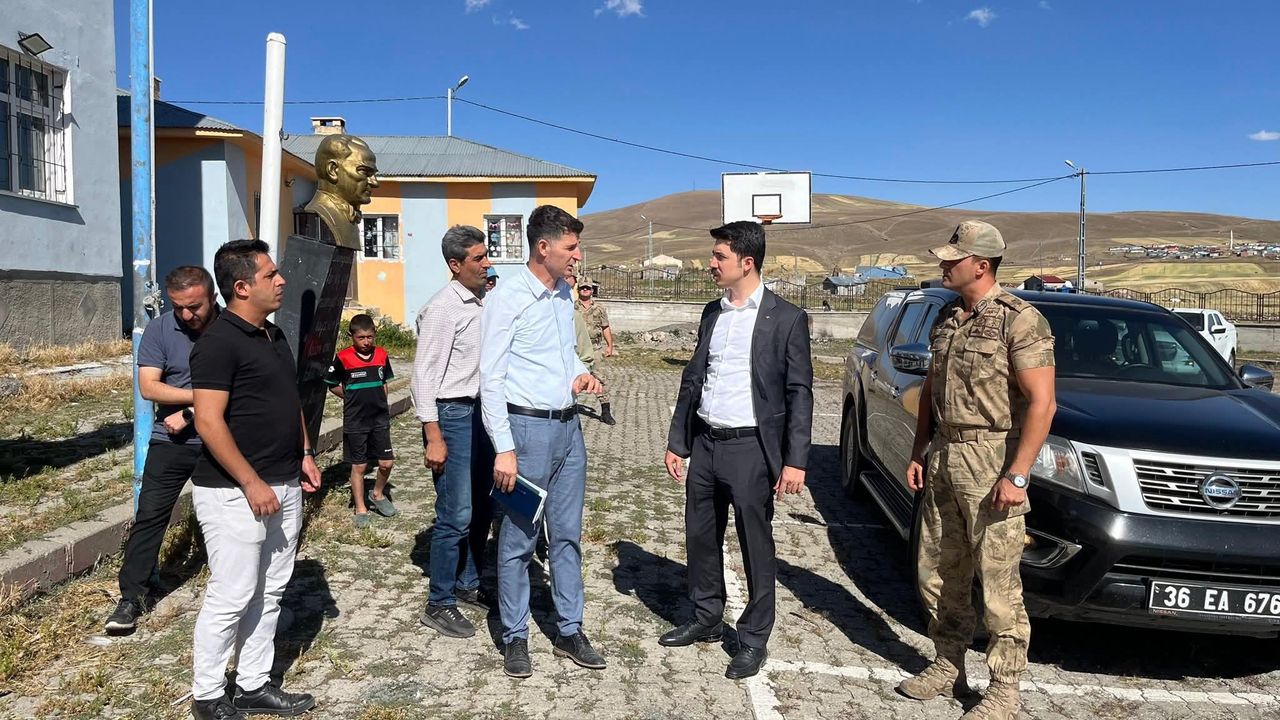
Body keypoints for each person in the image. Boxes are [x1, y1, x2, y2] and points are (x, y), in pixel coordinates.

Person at [897, 221, 1056, 720]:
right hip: (945, 455)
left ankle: (1004, 689)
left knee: (998, 580)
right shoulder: (947, 317)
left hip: (991, 461)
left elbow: (1043, 403)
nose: (944, 265)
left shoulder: (1020, 321)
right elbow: (931, 389)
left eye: (954, 258)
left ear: (981, 265)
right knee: (939, 571)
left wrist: (1018, 474)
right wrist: (920, 449)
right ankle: (948, 664)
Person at [661, 221, 813, 680]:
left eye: (719, 256)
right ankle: (706, 616)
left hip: (751, 449)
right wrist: (678, 441)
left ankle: (753, 638)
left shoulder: (786, 318)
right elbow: (694, 379)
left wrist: (795, 461)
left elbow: (799, 393)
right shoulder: (713, 312)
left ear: (747, 263)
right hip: (706, 443)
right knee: (700, 535)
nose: (711, 263)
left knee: (755, 544)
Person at [187, 239, 322, 720]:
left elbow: (289, 399)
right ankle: (207, 696)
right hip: (233, 492)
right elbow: (208, 421)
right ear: (242, 287)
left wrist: (305, 453)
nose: (282, 281)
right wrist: (250, 481)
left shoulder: (273, 334)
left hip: (284, 481)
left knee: (270, 590)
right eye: (271, 275)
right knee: (233, 594)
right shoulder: (217, 343)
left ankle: (252, 684)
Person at [480, 204, 604, 679]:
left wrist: (581, 374)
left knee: (567, 535)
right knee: (518, 538)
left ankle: (570, 629)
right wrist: (504, 448)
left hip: (569, 432)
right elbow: (490, 380)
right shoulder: (507, 299)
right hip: (526, 434)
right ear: (543, 247)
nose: (577, 256)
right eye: (571, 247)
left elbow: (565, 355)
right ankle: (515, 635)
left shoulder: (563, 295)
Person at [105, 266, 219, 635]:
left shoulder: (231, 328)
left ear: (213, 297)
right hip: (172, 441)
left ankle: (235, 585)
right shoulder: (160, 329)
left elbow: (243, 387)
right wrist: (202, 398)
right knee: (150, 516)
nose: (186, 315)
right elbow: (150, 387)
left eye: (194, 307)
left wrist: (189, 411)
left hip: (222, 439)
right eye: (178, 306)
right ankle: (131, 597)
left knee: (231, 514)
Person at [411, 225, 496, 638]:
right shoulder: (443, 308)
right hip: (452, 415)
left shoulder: (483, 302)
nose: (487, 263)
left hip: (482, 414)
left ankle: (468, 582)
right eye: (479, 258)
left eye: (486, 255)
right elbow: (423, 376)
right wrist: (434, 435)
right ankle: (439, 601)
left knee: (482, 506)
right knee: (456, 512)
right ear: (455, 264)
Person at [325, 313, 396, 528]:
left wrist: (382, 402)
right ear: (352, 337)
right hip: (356, 420)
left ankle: (377, 494)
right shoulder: (343, 358)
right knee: (360, 465)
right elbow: (331, 383)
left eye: (370, 337)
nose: (366, 342)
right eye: (361, 338)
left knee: (386, 463)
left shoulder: (382, 355)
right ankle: (360, 508)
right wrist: (350, 396)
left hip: (379, 419)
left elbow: (384, 382)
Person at [574, 277, 617, 425]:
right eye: (582, 288)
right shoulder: (572, 307)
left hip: (595, 349)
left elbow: (605, 327)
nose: (585, 290)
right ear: (578, 290)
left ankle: (605, 412)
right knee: (572, 377)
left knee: (600, 378)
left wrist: (610, 346)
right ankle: (570, 407)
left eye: (587, 288)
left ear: (592, 290)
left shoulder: (599, 308)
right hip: (577, 348)